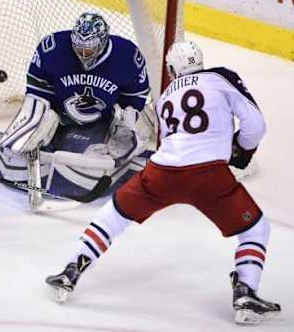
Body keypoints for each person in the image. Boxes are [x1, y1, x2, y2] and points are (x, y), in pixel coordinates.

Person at [45, 41, 281, 324]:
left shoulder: (166, 96)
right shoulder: (221, 77)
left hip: (162, 171)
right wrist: (242, 150)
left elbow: (169, 140)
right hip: (209, 175)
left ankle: (72, 268)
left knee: (115, 213)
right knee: (255, 228)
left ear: (172, 69)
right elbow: (255, 124)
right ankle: (245, 291)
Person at [0, 12, 153, 204]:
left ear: (103, 42)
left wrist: (122, 127)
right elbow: (37, 93)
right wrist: (37, 122)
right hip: (61, 117)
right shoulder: (52, 49)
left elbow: (135, 100)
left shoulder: (128, 56)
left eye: (88, 50)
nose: (82, 54)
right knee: (38, 116)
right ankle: (21, 148)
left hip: (102, 121)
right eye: (78, 47)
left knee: (135, 122)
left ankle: (110, 157)